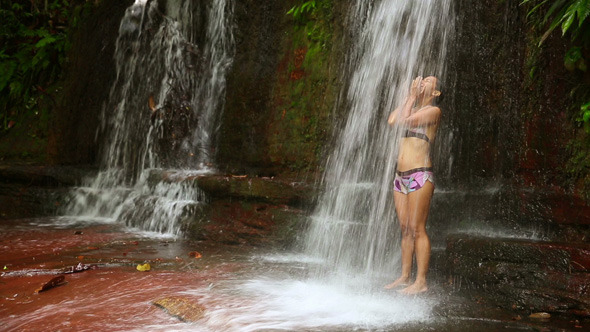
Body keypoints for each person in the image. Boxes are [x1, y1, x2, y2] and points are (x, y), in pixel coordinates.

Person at [384, 76, 441, 294]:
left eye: (428, 81)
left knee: (417, 229)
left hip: (420, 175)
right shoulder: (412, 105)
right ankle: (405, 276)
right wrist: (409, 96)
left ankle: (421, 282)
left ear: (435, 93)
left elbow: (406, 120)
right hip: (400, 177)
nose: (422, 81)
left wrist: (412, 100)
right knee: (405, 229)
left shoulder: (434, 111)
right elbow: (392, 120)